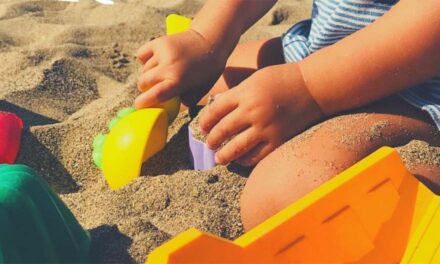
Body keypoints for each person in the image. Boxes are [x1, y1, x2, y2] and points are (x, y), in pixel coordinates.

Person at [135, 0, 440, 230]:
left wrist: (308, 88)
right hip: (329, 43)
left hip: (417, 84)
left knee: (284, 194)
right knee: (196, 83)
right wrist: (206, 38)